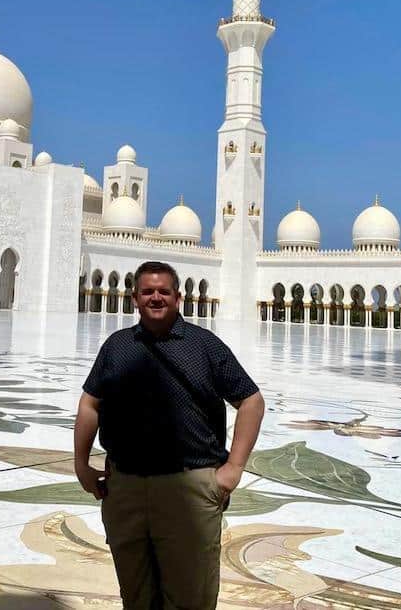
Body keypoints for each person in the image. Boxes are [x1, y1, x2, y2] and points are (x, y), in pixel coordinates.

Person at [74, 260, 265, 609]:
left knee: (190, 598)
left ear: (178, 297)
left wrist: (233, 468)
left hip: (189, 487)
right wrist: (81, 464)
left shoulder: (204, 345)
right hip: (126, 488)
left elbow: (251, 400)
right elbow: (90, 403)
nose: (156, 298)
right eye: (148, 291)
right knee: (136, 595)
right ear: (135, 298)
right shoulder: (117, 346)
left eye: (164, 291)